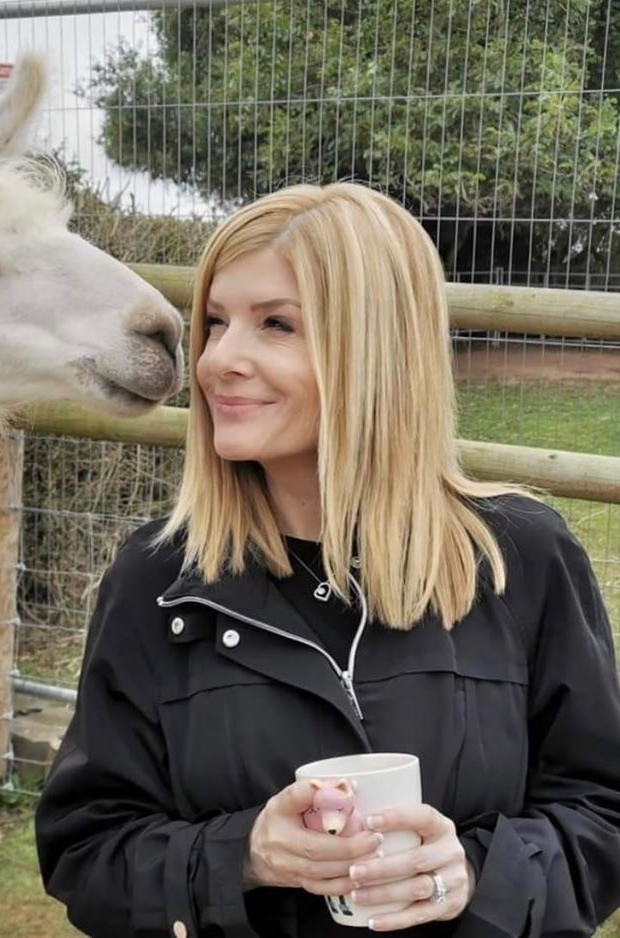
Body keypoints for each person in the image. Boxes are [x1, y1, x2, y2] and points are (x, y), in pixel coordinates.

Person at [34, 183, 620, 937]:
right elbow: (86, 852)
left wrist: (474, 875)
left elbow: (602, 814)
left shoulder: (520, 559)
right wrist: (242, 854)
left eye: (276, 325)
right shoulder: (158, 582)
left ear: (376, 349)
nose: (217, 362)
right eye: (215, 322)